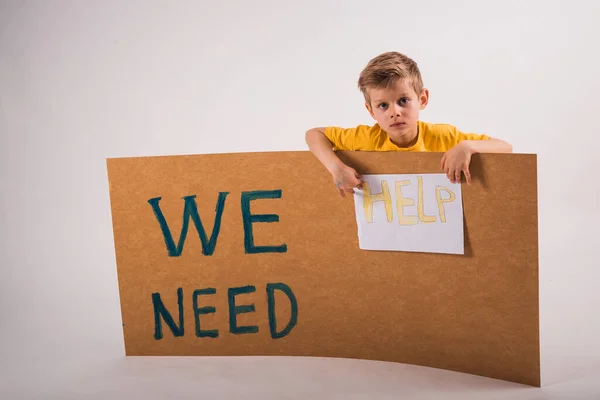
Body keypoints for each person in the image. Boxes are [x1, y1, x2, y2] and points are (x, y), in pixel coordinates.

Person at [305, 51, 513, 197]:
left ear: (422, 99)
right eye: (383, 105)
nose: (395, 112)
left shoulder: (442, 136)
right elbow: (314, 134)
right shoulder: (366, 138)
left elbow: (506, 148)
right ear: (371, 111)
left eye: (403, 101)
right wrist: (336, 168)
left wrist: (468, 146)